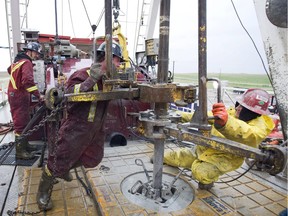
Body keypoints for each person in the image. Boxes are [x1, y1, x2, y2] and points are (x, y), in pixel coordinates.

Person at [36, 41, 124, 211]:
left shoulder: (108, 80)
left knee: (94, 158)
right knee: (57, 161)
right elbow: (68, 94)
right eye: (117, 60)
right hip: (77, 128)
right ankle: (43, 192)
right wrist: (91, 80)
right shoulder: (82, 75)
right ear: (106, 58)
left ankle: (65, 168)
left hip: (96, 129)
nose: (119, 65)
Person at [163, 88, 275, 190]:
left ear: (255, 113)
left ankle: (207, 182)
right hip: (203, 150)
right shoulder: (231, 113)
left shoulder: (260, 127)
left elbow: (246, 133)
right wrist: (177, 116)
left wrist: (226, 123)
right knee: (169, 157)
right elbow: (204, 117)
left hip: (224, 157)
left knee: (200, 172)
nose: (238, 108)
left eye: (244, 108)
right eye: (238, 104)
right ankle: (188, 163)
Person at [7, 42, 43, 160]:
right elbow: (27, 81)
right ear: (30, 51)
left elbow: (9, 71)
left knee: (24, 122)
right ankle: (20, 152)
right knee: (20, 125)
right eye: (36, 53)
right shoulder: (27, 62)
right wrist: (39, 96)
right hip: (19, 96)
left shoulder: (17, 62)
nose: (37, 56)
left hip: (15, 94)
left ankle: (25, 145)